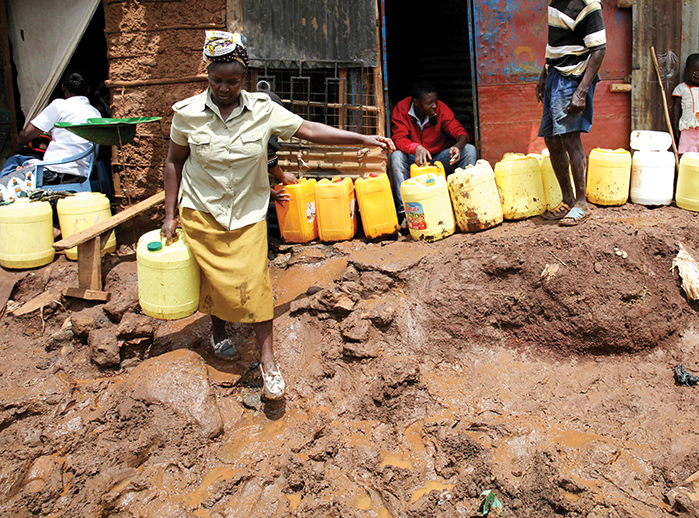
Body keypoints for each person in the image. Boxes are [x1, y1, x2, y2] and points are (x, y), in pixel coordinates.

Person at [162, 31, 394, 401]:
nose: (224, 88)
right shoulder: (187, 114)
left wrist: (362, 139)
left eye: (233, 81)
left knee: (255, 285)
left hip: (248, 212)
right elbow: (174, 161)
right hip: (202, 210)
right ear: (207, 77)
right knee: (213, 279)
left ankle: (269, 363)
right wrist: (169, 213)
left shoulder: (263, 110)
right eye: (216, 80)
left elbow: (310, 129)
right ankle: (218, 333)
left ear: (245, 78)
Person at [536, 0, 606, 226]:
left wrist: (581, 90)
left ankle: (581, 203)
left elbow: (599, 48)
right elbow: (557, 41)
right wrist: (544, 72)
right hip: (555, 75)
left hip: (573, 78)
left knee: (570, 138)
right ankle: (566, 200)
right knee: (552, 139)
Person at [389, 82, 477, 222]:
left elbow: (460, 131)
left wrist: (458, 147)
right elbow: (398, 139)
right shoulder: (401, 108)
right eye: (429, 103)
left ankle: (464, 203)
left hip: (438, 158)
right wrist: (415, 148)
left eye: (435, 102)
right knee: (396, 156)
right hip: (415, 160)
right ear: (416, 103)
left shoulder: (440, 108)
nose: (434, 106)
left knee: (469, 149)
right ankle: (406, 213)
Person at [1, 69, 101, 187]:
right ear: (88, 90)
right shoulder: (96, 114)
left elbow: (23, 136)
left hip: (54, 172)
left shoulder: (60, 105)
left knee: (14, 164)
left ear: (63, 87)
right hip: (82, 174)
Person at [672, 54, 699, 154]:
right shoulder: (681, 88)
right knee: (687, 156)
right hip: (688, 130)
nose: (698, 75)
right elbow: (676, 109)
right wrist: (675, 129)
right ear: (687, 71)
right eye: (695, 72)